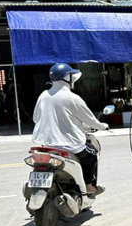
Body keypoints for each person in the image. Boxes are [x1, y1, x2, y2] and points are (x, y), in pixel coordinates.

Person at [32, 63, 108, 195]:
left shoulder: (43, 96)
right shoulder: (72, 98)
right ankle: (89, 187)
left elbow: (35, 118)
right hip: (71, 147)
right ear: (67, 78)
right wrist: (103, 126)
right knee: (92, 155)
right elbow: (90, 120)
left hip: (48, 146)